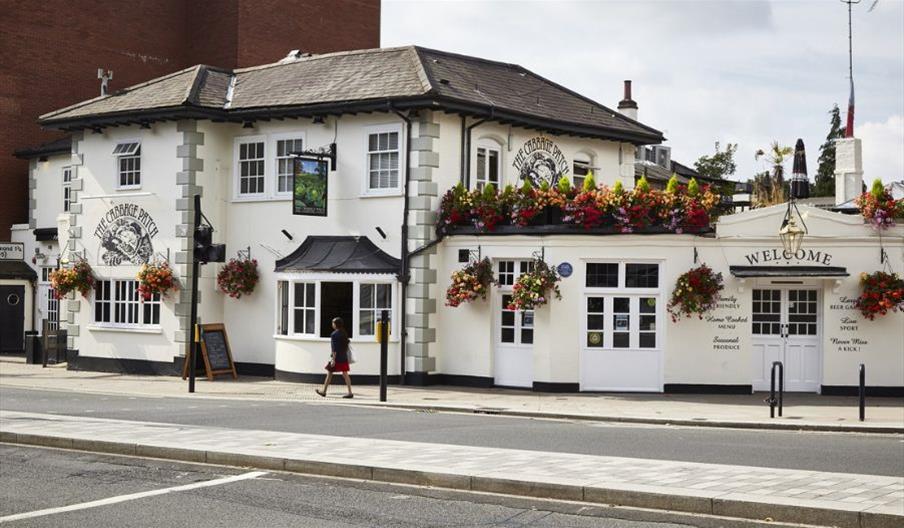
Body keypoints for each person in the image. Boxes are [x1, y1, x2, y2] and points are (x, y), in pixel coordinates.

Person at [316, 317, 353, 398]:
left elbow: (334, 348)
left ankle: (323, 391)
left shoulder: (334, 334)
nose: (332, 324)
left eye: (333, 323)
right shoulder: (344, 333)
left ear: (336, 324)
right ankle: (350, 392)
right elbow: (346, 346)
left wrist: (333, 359)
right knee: (345, 374)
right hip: (343, 357)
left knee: (329, 374)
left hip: (337, 358)